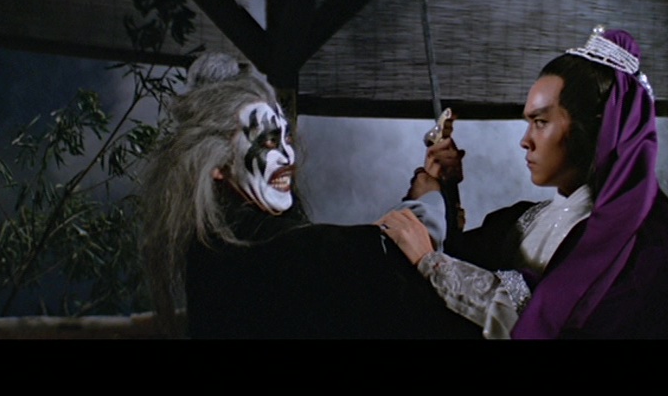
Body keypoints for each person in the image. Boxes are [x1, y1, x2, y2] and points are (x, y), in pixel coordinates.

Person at [378, 25, 668, 339]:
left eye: (540, 122)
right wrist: (442, 184)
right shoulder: (527, 220)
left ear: (596, 128)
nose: (525, 141)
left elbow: (557, 326)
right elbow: (461, 265)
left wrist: (433, 265)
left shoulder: (645, 239)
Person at [138, 52, 482, 338]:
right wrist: (430, 187)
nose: (288, 156)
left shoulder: (219, 241)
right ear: (217, 163)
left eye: (285, 138)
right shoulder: (261, 251)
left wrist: (430, 187)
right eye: (268, 142)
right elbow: (396, 254)